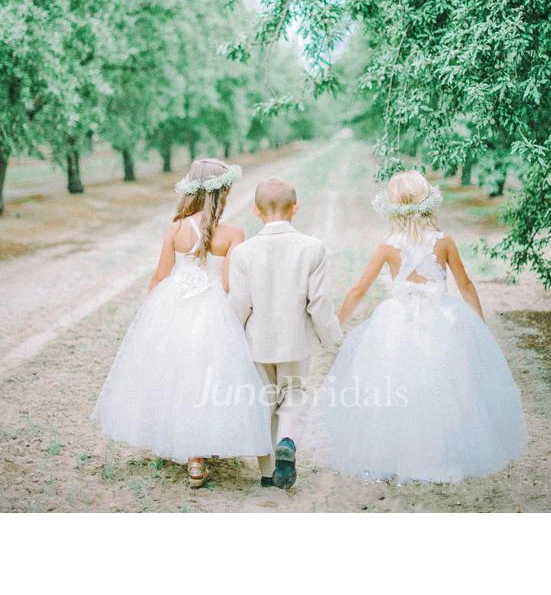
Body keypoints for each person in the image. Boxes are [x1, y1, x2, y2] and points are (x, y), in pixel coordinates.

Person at [315, 169, 527, 484]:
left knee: (396, 385)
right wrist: (478, 324)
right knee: (444, 386)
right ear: (428, 202)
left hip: (396, 322)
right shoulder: (443, 242)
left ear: (392, 207)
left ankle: (398, 452)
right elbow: (465, 285)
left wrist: (334, 325)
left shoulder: (387, 247)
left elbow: (358, 290)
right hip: (440, 320)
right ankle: (439, 452)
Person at [91, 158, 271, 488]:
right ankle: (200, 449)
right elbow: (229, 284)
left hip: (173, 306)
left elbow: (160, 276)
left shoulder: (175, 229)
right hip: (213, 310)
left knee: (176, 375)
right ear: (224, 191)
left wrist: (149, 318)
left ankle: (191, 454)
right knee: (208, 377)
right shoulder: (233, 233)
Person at [228, 177, 343, 489]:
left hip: (257, 341)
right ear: (295, 208)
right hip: (295, 340)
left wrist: (230, 336)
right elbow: (319, 301)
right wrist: (333, 338)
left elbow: (240, 303)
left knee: (263, 401)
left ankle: (268, 474)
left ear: (255, 210)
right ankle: (287, 441)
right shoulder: (312, 248)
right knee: (294, 393)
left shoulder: (243, 252)